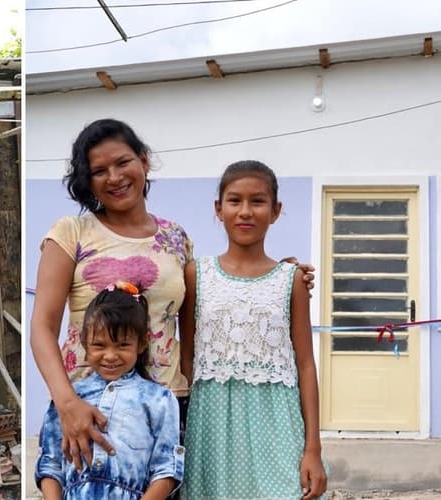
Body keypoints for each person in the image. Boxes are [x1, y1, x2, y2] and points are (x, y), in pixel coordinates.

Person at [29, 118, 314, 471]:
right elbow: (42, 327)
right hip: (91, 405)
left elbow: (212, 297)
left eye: (122, 162)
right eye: (99, 171)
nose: (114, 177)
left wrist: (276, 277)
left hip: (168, 405)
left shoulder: (176, 238)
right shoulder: (71, 232)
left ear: (144, 161)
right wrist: (67, 403)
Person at [179, 160, 327, 499]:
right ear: (218, 209)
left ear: (275, 211)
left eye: (257, 201)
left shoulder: (291, 280)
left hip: (278, 426)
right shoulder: (196, 274)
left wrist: (313, 449)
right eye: (235, 201)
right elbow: (187, 357)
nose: (245, 211)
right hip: (211, 429)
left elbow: (305, 364)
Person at [36, 282, 184, 499]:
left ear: (142, 343)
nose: (110, 356)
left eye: (122, 345)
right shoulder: (68, 399)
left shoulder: (159, 400)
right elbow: (50, 465)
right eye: (99, 345)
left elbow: (167, 468)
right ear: (84, 343)